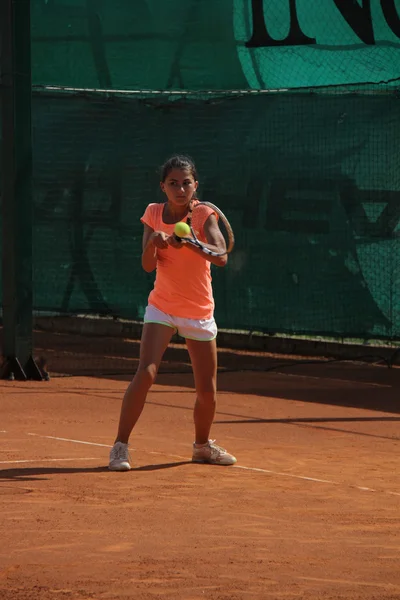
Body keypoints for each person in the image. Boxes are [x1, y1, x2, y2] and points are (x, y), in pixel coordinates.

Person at [109, 155, 236, 471]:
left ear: (196, 186)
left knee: (206, 390)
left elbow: (221, 256)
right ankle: (120, 447)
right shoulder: (153, 213)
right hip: (162, 306)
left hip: (198, 310)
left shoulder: (204, 215)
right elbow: (147, 265)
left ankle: (202, 447)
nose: (180, 189)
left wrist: (189, 243)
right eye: (173, 183)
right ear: (163, 187)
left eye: (186, 183)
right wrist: (154, 241)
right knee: (146, 372)